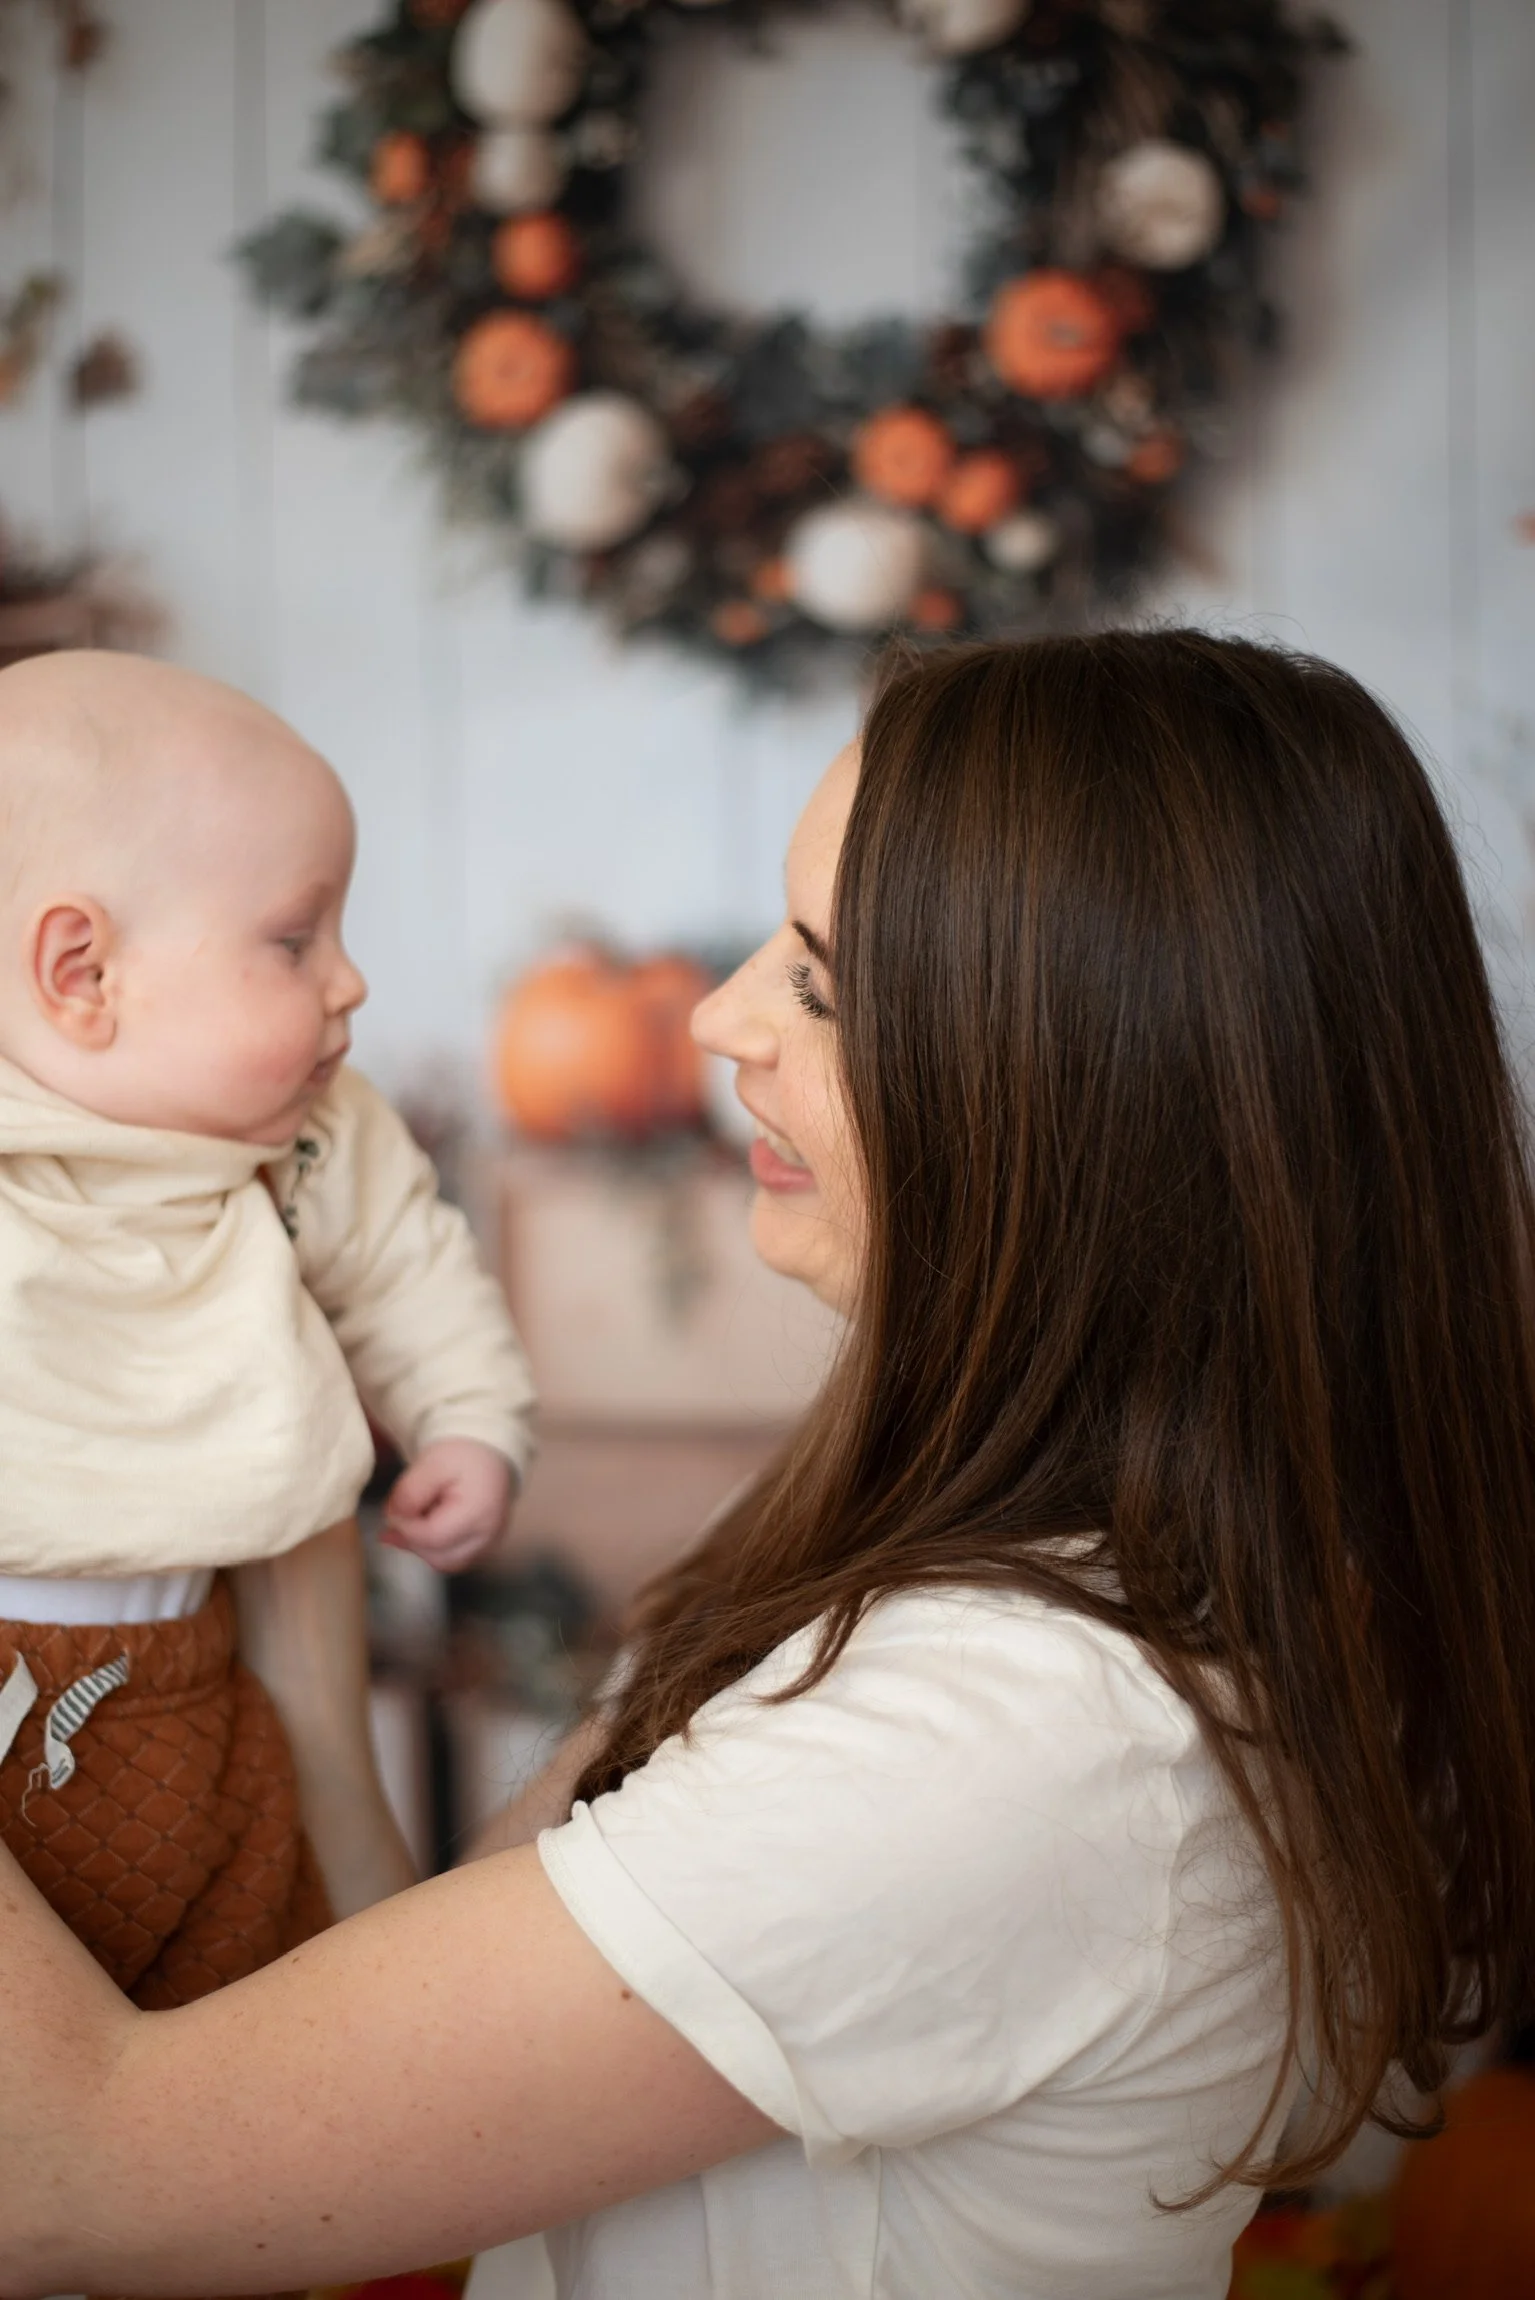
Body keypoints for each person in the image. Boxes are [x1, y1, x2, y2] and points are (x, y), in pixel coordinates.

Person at [1, 630, 1533, 2300]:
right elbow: (415, 2003)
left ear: (1065, 1089)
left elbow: (65, 2173)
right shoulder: (967, 1534)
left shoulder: (1003, 1742)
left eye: (815, 975)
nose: (719, 1014)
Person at [0, 651, 537, 2002]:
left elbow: (412, 1269)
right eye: (296, 940)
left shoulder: (298, 1143)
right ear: (81, 972)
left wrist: (471, 1422)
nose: (350, 983)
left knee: (255, 1973)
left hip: (208, 1681)